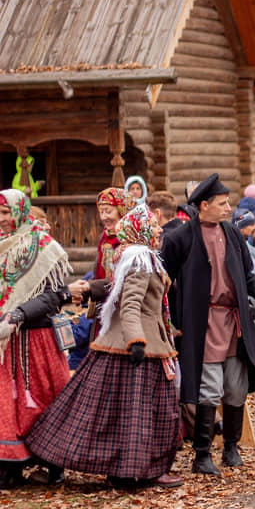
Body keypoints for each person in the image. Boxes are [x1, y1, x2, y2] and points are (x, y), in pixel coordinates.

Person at [27, 208, 183, 489]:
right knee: (145, 412)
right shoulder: (140, 261)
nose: (160, 231)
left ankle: (124, 470)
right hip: (140, 348)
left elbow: (116, 288)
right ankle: (144, 471)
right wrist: (136, 340)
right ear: (142, 230)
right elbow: (131, 303)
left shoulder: (135, 257)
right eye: (154, 227)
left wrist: (89, 288)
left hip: (130, 344)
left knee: (119, 412)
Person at [161, 173, 255, 476]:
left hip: (235, 322)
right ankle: (201, 455)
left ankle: (231, 447)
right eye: (223, 204)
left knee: (236, 387)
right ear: (203, 205)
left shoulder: (234, 234)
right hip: (201, 325)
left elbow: (249, 280)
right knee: (208, 389)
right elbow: (164, 284)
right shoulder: (179, 239)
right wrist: (172, 322)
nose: (229, 209)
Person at [0, 189, 77, 487]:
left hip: (36, 339)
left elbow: (55, 296)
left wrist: (19, 313)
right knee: (6, 402)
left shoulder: (44, 247)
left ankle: (52, 462)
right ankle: (9, 463)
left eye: (7, 212)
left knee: (44, 398)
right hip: (5, 343)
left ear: (21, 211)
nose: (2, 218)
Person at [95, 188, 138, 280]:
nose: (103, 217)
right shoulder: (104, 237)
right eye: (101, 212)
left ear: (123, 211)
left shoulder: (134, 240)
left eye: (108, 212)